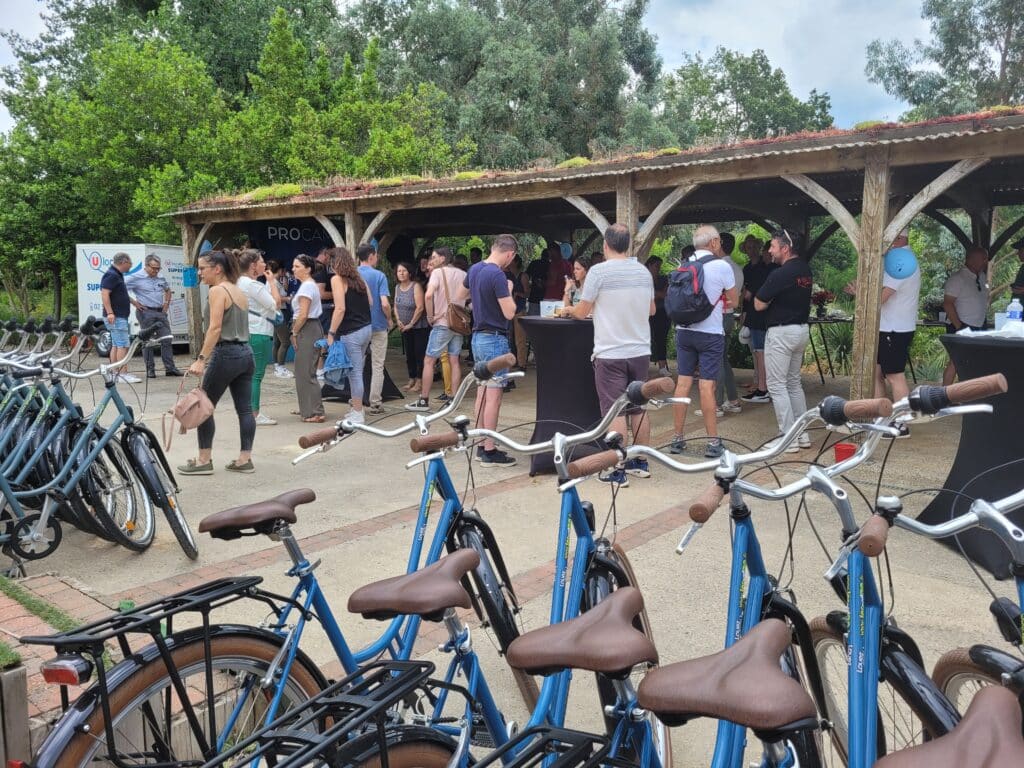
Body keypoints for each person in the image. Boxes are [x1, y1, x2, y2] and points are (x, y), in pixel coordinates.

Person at [567, 223, 654, 486]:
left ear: (605, 245)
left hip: (610, 352)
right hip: (640, 350)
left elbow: (582, 312)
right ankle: (640, 461)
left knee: (615, 412)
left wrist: (569, 309)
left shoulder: (598, 273)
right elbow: (651, 310)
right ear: (628, 245)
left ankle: (618, 469)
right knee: (638, 407)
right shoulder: (643, 272)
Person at [178, 249, 255, 475]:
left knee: (204, 406)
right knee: (245, 409)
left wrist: (201, 359)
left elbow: (215, 328)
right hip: (246, 353)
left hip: (226, 353)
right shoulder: (238, 291)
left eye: (202, 268)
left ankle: (204, 460)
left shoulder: (217, 291)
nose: (199, 273)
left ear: (217, 269)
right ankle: (244, 459)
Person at [668, 226, 738, 459]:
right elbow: (734, 301)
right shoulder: (722, 266)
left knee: (683, 383)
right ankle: (713, 442)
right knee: (707, 386)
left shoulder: (683, 265)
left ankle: (677, 438)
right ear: (715, 243)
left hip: (684, 331)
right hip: (710, 333)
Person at [844, 228, 921, 438]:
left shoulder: (902, 261)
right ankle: (881, 417)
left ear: (898, 238)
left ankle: (901, 422)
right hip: (887, 326)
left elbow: (881, 298)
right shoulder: (895, 259)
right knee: (877, 373)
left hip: (895, 328)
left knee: (895, 376)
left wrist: (859, 291)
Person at [754, 229, 813, 453]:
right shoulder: (805, 270)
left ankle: (787, 438)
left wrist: (770, 301)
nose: (769, 251)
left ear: (785, 248)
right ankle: (802, 434)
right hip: (801, 330)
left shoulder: (780, 273)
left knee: (777, 386)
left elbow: (759, 303)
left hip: (781, 332)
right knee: (793, 383)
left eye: (772, 246)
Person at [465, 234, 519, 467]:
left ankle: (479, 441)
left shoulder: (475, 269)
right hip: (495, 339)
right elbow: (509, 312)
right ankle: (489, 448)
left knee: (482, 392)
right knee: (494, 397)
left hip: (477, 337)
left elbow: (461, 296)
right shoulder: (498, 275)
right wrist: (509, 288)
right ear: (510, 254)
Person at [405, 247, 466, 412]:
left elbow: (428, 295)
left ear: (442, 258)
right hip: (458, 324)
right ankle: (453, 399)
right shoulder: (462, 274)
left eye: (434, 257)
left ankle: (423, 400)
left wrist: (431, 316)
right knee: (454, 361)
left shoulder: (438, 274)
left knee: (429, 361)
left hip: (442, 322)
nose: (431, 261)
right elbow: (469, 298)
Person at [327, 247, 373, 424]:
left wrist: (331, 332)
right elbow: (370, 301)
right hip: (366, 328)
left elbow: (340, 309)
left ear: (335, 263)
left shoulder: (337, 279)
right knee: (358, 370)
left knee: (354, 374)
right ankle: (356, 409)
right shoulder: (358, 278)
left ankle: (358, 413)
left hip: (351, 331)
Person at [237, 249, 283, 427]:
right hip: (259, 332)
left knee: (248, 375)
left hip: (248, 330)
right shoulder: (252, 285)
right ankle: (254, 414)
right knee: (256, 375)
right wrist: (272, 282)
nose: (265, 264)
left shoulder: (240, 282)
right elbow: (275, 304)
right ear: (253, 265)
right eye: (262, 261)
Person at [124, 254, 183, 378]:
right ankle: (150, 369)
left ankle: (170, 369)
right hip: (145, 312)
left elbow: (167, 290)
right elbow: (121, 289)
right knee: (148, 341)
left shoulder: (160, 277)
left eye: (158, 268)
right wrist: (135, 303)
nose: (156, 271)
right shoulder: (136, 277)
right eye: (153, 268)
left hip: (160, 312)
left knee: (167, 338)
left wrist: (166, 305)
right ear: (146, 266)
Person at [942, 245, 991, 385]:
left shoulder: (981, 276)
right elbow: (947, 304)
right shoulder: (957, 279)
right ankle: (943, 397)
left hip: (979, 325)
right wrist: (960, 326)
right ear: (974, 259)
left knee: (974, 362)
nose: (986, 261)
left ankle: (967, 395)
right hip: (961, 325)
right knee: (956, 362)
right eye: (984, 258)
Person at [356, 243, 392, 414]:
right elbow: (384, 303)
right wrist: (390, 319)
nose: (377, 258)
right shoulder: (379, 276)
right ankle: (375, 402)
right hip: (378, 325)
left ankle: (356, 401)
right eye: (376, 255)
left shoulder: (351, 275)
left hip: (357, 326)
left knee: (357, 364)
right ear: (371, 256)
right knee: (378, 365)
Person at [289, 254, 326, 423]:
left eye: (297, 266)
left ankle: (315, 411)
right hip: (309, 327)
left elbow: (303, 314)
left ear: (308, 268)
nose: (293, 269)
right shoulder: (307, 286)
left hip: (307, 328)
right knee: (303, 370)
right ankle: (307, 407)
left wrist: (294, 332)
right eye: (293, 266)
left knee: (306, 371)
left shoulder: (307, 287)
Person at [739, 236, 773, 403]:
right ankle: (758, 381)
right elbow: (744, 296)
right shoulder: (746, 268)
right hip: (750, 313)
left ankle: (762, 386)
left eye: (754, 247)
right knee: (755, 349)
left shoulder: (765, 267)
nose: (751, 250)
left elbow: (750, 293)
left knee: (761, 351)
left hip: (761, 314)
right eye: (748, 247)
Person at [100, 252, 142, 383]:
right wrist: (110, 312)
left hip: (118, 316)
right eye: (130, 264)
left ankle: (114, 372)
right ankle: (123, 374)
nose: (130, 267)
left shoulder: (117, 275)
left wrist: (134, 302)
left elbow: (120, 294)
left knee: (116, 345)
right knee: (123, 345)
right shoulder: (111, 275)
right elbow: (105, 294)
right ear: (124, 262)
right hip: (116, 317)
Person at [714, 232, 744, 415]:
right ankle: (733, 400)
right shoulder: (736, 268)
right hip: (729, 315)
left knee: (716, 361)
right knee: (723, 360)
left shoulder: (720, 267)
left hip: (719, 316)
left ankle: (716, 404)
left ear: (720, 244)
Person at [394, 262, 429, 392]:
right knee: (409, 354)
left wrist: (411, 324)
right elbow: (395, 306)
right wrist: (398, 320)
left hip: (418, 326)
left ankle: (419, 381)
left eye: (404, 271)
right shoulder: (397, 287)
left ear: (409, 272)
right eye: (399, 271)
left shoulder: (416, 286)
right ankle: (411, 378)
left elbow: (420, 307)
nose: (401, 273)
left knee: (419, 353)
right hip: (404, 327)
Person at [268, 260, 295, 379]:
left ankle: (277, 366)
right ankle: (280, 367)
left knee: (278, 341)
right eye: (283, 271)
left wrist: (285, 287)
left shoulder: (275, 282)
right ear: (280, 270)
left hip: (277, 312)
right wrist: (289, 298)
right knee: (285, 341)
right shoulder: (273, 282)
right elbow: (277, 298)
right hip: (278, 313)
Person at [646, 256, 671, 378]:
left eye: (659, 266)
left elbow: (664, 294)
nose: (658, 269)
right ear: (649, 265)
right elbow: (653, 295)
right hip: (645, 312)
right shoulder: (643, 278)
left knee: (661, 338)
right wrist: (656, 294)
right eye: (656, 266)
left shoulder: (662, 279)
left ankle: (662, 366)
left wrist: (656, 294)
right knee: (645, 339)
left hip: (661, 312)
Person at [506, 254, 530, 368]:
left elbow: (527, 293)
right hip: (508, 309)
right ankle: (511, 361)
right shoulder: (507, 275)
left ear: (515, 262)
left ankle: (522, 363)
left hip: (519, 309)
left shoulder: (522, 276)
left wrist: (518, 294)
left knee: (520, 338)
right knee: (508, 337)